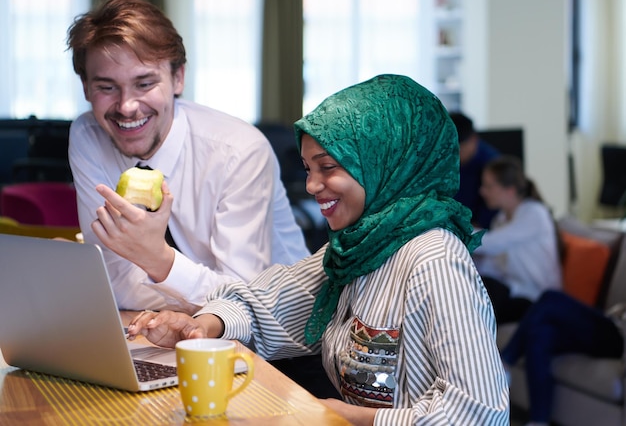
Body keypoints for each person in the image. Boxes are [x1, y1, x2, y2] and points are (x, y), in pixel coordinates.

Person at [128, 74, 510, 425]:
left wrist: (357, 418)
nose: (312, 186)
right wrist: (201, 325)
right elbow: (269, 303)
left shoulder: (434, 260)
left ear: (383, 163)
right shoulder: (358, 248)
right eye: (309, 169)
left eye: (327, 167)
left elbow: (480, 413)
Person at [66, 0, 309, 314]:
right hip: (169, 330)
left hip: (285, 339)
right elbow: (112, 279)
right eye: (107, 87)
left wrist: (157, 259)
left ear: (177, 78)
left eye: (144, 83)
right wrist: (195, 294)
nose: (126, 106)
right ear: (86, 88)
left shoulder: (239, 152)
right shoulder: (88, 136)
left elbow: (242, 306)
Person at [500, 289, 624, 426]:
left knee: (550, 298)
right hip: (612, 321)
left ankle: (503, 365)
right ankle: (539, 421)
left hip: (618, 335)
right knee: (541, 334)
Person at [472, 155, 563, 324]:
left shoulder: (534, 214)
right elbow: (492, 264)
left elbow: (489, 243)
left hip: (536, 298)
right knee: (476, 286)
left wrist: (453, 226)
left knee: (486, 293)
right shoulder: (500, 220)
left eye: (489, 186)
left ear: (510, 190)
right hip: (514, 291)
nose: (482, 191)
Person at [450, 111, 499, 229]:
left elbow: (493, 209)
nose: (455, 154)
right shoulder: (444, 155)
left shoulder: (492, 164)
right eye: (451, 148)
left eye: (460, 149)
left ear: (473, 139)